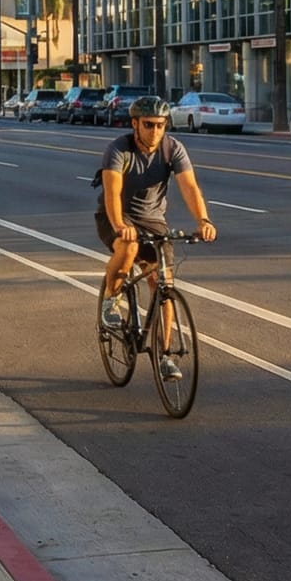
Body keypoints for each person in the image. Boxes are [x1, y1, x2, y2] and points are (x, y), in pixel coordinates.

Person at [94, 95, 216, 381]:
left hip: (153, 220)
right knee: (128, 245)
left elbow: (189, 187)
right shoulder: (118, 150)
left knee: (163, 284)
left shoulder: (172, 148)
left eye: (161, 125)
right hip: (115, 214)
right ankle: (111, 300)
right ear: (135, 124)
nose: (155, 131)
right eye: (148, 125)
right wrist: (120, 224)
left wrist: (203, 220)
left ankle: (165, 355)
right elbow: (112, 193)